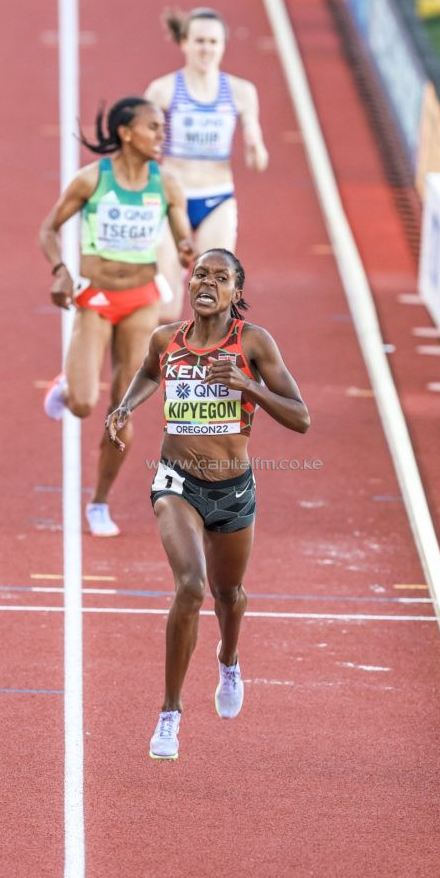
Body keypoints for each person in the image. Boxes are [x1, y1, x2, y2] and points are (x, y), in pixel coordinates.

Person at [105, 248, 310, 759]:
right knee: (191, 586)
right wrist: (125, 406)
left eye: (221, 278)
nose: (207, 283)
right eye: (200, 274)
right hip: (176, 482)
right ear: (189, 282)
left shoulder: (253, 342)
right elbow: (149, 373)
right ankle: (170, 713)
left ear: (236, 292)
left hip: (233, 489)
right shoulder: (165, 339)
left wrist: (247, 385)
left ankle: (229, 658)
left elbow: (301, 417)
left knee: (229, 594)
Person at [39, 97, 194, 537]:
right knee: (84, 403)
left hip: (142, 301)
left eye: (162, 128)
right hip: (97, 299)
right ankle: (68, 386)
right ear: (126, 133)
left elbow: (183, 234)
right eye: (152, 127)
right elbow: (48, 229)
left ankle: (100, 502)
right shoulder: (92, 180)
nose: (161, 135)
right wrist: (60, 270)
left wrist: (187, 249)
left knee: (122, 411)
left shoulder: (167, 185)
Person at [144, 7, 269, 322]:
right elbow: (141, 145)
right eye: (199, 41)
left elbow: (259, 162)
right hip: (172, 201)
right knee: (166, 306)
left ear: (223, 45)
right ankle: (161, 354)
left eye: (213, 42)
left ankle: (207, 355)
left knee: (215, 300)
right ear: (184, 43)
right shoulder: (163, 90)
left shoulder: (241, 92)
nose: (206, 49)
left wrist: (254, 146)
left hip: (217, 199)